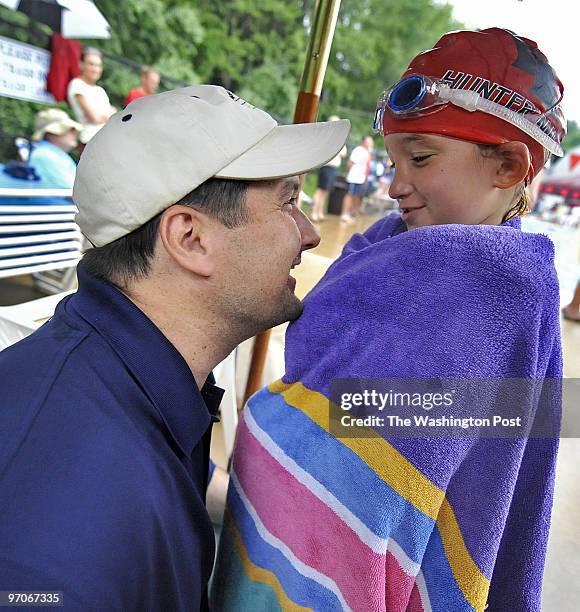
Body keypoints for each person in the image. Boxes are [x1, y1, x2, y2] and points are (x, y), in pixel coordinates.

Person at [213, 29, 565, 611]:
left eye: (421, 158)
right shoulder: (389, 250)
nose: (397, 186)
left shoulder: (502, 292)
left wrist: (272, 423)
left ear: (508, 166)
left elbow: (506, 429)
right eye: (394, 160)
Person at [0, 85, 350, 611]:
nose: (309, 234)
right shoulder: (67, 540)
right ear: (189, 237)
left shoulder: (125, 377)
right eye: (288, 202)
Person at [67, 46, 115, 144]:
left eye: (98, 65)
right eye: (91, 64)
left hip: (106, 139)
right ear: (81, 65)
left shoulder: (100, 90)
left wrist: (103, 116)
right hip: (89, 142)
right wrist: (107, 115)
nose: (95, 69)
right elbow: (94, 118)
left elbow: (114, 117)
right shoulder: (77, 84)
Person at [29, 108, 82, 188]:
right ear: (50, 133)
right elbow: (74, 192)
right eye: (68, 129)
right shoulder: (46, 155)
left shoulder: (54, 154)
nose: (74, 132)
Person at [311, 115, 347, 222]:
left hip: (330, 168)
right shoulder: (331, 137)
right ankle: (314, 212)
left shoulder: (334, 137)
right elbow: (343, 152)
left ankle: (319, 212)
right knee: (321, 191)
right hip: (327, 167)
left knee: (324, 191)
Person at [341, 135, 373, 223]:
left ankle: (351, 213)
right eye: (369, 142)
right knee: (349, 194)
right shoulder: (358, 150)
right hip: (353, 177)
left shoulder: (367, 152)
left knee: (356, 195)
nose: (370, 144)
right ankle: (344, 213)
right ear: (364, 142)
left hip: (361, 178)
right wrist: (349, 174)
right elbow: (350, 162)